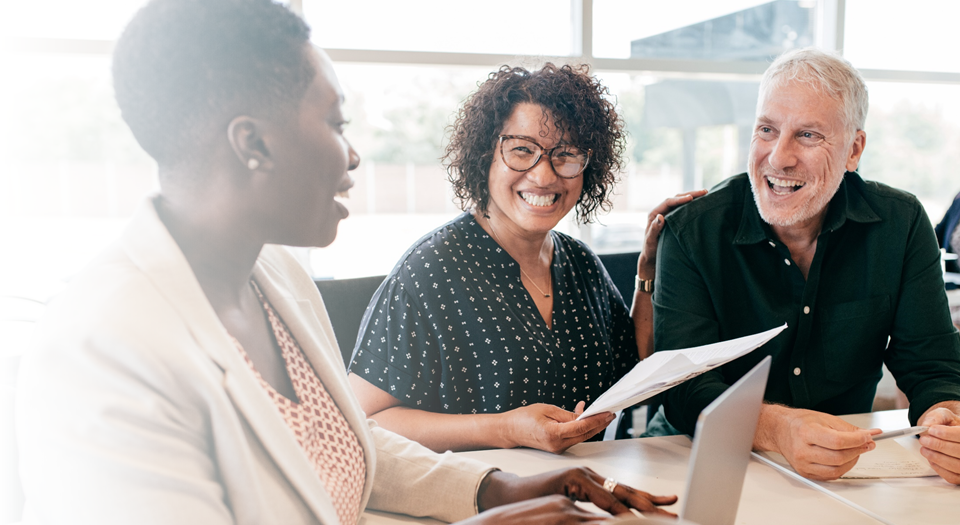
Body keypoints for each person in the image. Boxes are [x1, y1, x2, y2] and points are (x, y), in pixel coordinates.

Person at [14, 1, 679, 523]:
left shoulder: (275, 277)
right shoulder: (100, 348)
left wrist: (499, 487)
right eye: (336, 125)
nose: (353, 156)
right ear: (254, 144)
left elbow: (345, 443)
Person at [348, 62, 705, 454]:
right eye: (522, 150)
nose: (544, 175)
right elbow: (366, 421)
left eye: (565, 154)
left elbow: (636, 365)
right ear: (485, 154)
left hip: (582, 490)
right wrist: (504, 429)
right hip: (477, 501)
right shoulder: (429, 272)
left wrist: (649, 270)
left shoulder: (579, 263)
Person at [651, 47, 960, 485]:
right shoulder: (691, 232)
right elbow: (685, 390)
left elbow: (932, 366)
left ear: (854, 150)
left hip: (843, 468)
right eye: (766, 129)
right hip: (697, 457)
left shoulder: (902, 223)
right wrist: (778, 428)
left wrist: (947, 419)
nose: (778, 157)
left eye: (808, 135)